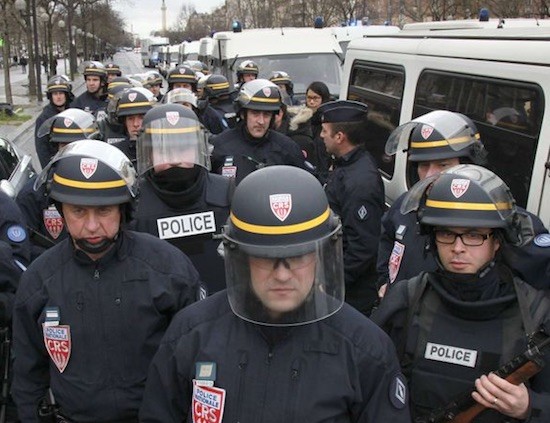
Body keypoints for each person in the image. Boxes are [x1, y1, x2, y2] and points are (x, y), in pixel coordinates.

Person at [139, 165, 411, 423]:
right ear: (241, 259)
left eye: (298, 256)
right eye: (265, 258)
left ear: (321, 256)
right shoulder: (192, 334)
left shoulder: (365, 350)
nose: (282, 274)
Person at [12, 140, 203, 422]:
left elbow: (196, 365)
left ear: (123, 210)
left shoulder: (169, 270)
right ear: (60, 210)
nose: (91, 225)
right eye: (78, 211)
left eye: (103, 211)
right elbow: (28, 379)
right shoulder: (38, 281)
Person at [371, 164, 550, 422]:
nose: (457, 248)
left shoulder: (535, 314)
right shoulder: (407, 299)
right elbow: (364, 381)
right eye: (446, 234)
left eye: (474, 235)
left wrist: (531, 407)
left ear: (497, 241)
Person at [377, 110, 550, 293]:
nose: (429, 175)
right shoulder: (407, 205)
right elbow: (388, 236)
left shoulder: (500, 217)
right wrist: (384, 279)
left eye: (443, 165)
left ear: (469, 164)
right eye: (423, 165)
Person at [130, 104, 232, 294]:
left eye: (183, 148)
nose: (175, 159)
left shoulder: (226, 193)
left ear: (197, 150)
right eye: (164, 150)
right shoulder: (134, 203)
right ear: (149, 154)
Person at [318, 100, 385, 315]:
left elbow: (363, 246)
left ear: (340, 137)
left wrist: (332, 282)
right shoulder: (345, 164)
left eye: (325, 130)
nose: (321, 135)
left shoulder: (360, 182)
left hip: (351, 293)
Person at [18, 109, 97, 260]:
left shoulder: (109, 186)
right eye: (64, 146)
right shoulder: (35, 192)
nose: (70, 152)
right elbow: (23, 245)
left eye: (77, 145)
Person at [210, 79, 309, 185]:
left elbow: (306, 185)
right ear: (243, 114)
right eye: (255, 113)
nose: (261, 121)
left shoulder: (287, 148)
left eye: (267, 114)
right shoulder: (221, 146)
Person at [288, 80, 332, 181]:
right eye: (309, 98)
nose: (311, 102)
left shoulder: (329, 121)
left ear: (323, 99)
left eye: (315, 98)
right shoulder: (300, 120)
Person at [35, 75, 74, 168]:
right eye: (55, 94)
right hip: (56, 164)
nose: (58, 97)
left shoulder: (74, 111)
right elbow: (42, 149)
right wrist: (49, 170)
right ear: (50, 96)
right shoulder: (44, 118)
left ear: (66, 95)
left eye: (61, 93)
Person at [108, 86, 155, 162]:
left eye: (141, 118)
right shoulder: (115, 153)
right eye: (130, 118)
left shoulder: (160, 150)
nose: (136, 124)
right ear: (124, 122)